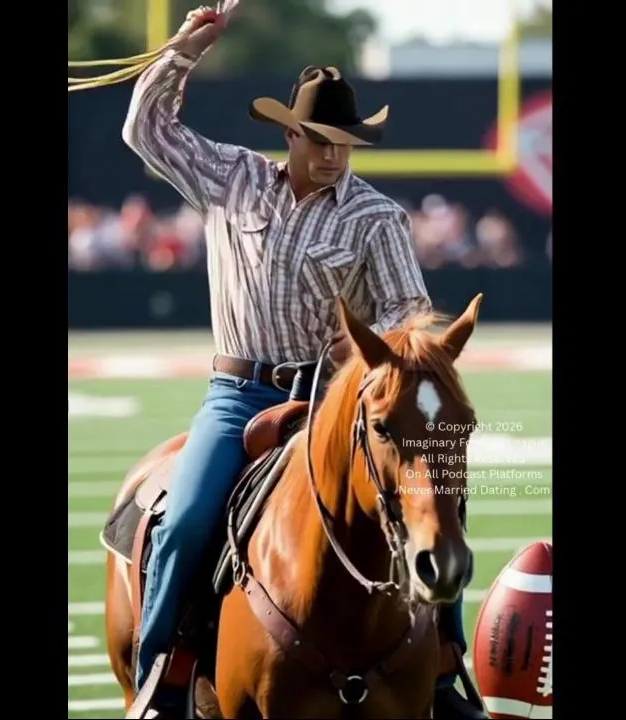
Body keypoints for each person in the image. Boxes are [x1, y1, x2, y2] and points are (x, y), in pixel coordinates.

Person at [120, 4, 483, 717]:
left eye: (345, 143)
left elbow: (409, 311)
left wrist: (378, 349)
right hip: (238, 396)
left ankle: (443, 673)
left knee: (437, 500)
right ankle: (162, 679)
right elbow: (145, 130)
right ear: (289, 134)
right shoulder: (232, 178)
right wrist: (184, 52)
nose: (333, 155)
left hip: (334, 401)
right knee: (186, 520)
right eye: (319, 140)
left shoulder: (377, 217)